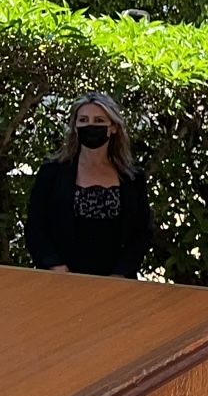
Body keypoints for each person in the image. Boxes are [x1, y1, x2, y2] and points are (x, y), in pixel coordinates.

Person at [26, 92, 154, 278]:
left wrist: (120, 275)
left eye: (99, 120)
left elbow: (142, 233)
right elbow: (35, 227)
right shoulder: (52, 173)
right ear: (75, 127)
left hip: (116, 285)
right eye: (83, 120)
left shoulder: (133, 179)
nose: (90, 125)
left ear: (113, 128)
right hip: (61, 281)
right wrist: (55, 267)